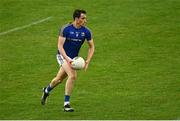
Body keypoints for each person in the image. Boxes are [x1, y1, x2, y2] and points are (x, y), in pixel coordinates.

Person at [41, 9, 95, 112]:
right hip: (62, 55)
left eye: (85, 18)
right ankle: (66, 104)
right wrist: (67, 59)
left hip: (73, 58)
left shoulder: (86, 31)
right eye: (83, 18)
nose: (85, 20)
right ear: (76, 19)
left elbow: (92, 47)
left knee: (59, 80)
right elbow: (60, 46)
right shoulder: (65, 29)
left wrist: (87, 61)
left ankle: (46, 90)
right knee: (72, 76)